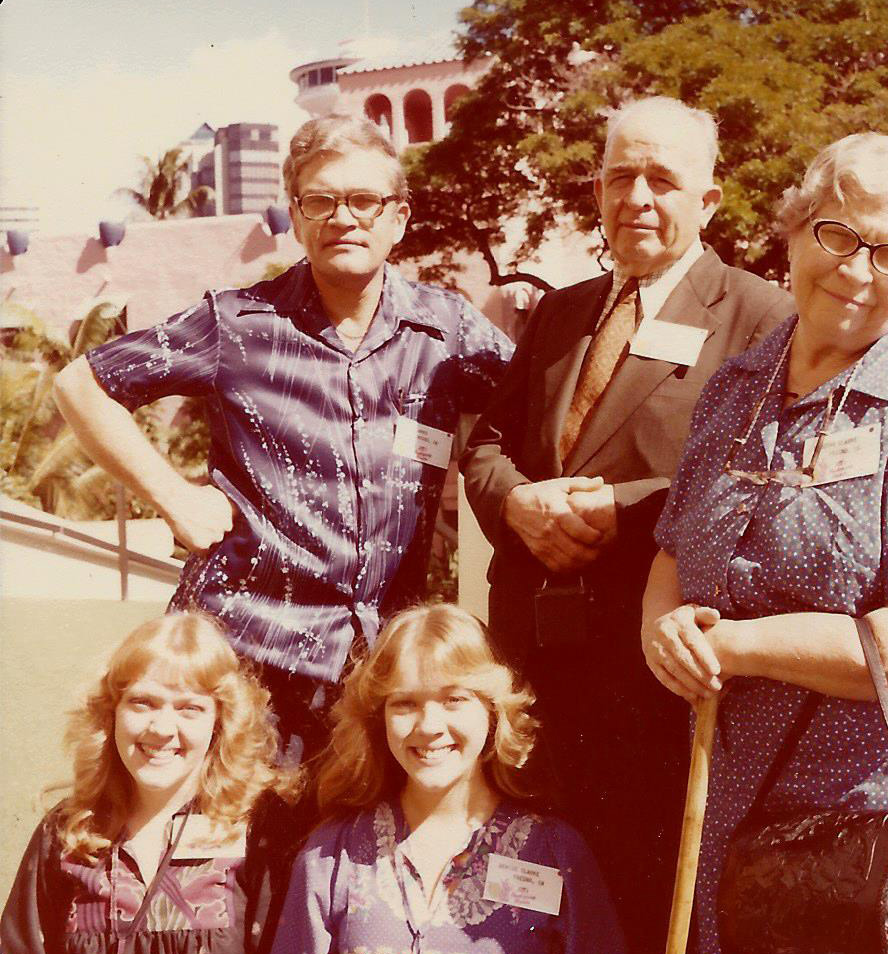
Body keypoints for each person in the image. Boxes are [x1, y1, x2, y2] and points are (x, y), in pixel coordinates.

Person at [642, 132, 888, 954]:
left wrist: (737, 647)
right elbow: (673, 550)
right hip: (745, 795)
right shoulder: (738, 386)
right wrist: (663, 628)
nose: (856, 270)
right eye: (838, 235)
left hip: (876, 825)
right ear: (795, 231)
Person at [53, 115, 513, 760]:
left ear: (399, 217)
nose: (343, 218)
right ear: (295, 217)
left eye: (364, 200)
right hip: (243, 658)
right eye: (320, 201)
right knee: (225, 825)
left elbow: (535, 407)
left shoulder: (449, 329)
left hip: (383, 669)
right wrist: (173, 496)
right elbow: (82, 384)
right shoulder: (236, 323)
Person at [459, 95, 793, 948]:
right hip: (532, 664)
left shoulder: (762, 317)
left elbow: (759, 474)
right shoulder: (560, 311)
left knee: (640, 903)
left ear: (708, 200)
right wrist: (516, 502)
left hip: (651, 677)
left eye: (662, 180)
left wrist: (627, 509)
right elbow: (487, 444)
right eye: (620, 177)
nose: (637, 198)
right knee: (528, 888)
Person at [268, 603, 625, 954]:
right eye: (405, 703)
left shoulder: (551, 854)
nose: (429, 726)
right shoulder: (332, 857)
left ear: (492, 710)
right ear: (380, 718)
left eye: (454, 699)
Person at [1, 613, 300, 954]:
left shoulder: (256, 831)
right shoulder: (70, 831)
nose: (161, 728)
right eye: (142, 703)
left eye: (189, 708)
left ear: (219, 722)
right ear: (111, 713)